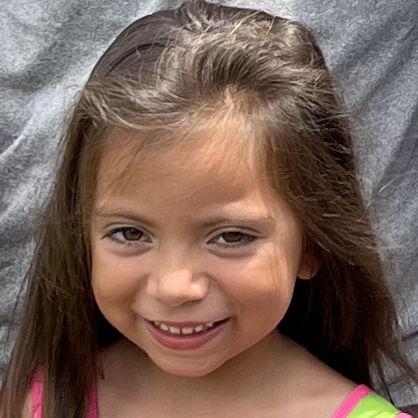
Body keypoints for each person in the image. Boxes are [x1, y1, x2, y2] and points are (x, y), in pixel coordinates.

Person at [0, 1, 416, 417]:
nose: (174, 287)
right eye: (130, 233)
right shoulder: (42, 402)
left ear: (312, 244)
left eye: (232, 237)